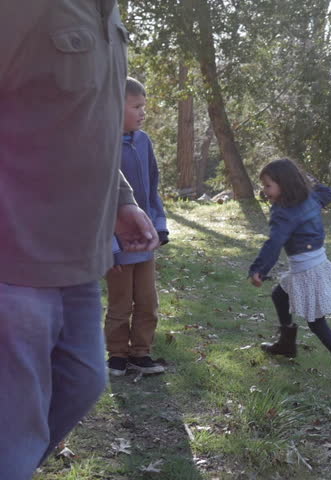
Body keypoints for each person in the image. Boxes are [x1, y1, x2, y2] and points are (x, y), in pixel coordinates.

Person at [0, 1, 160, 478]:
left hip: (81, 253)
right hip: (17, 254)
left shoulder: (108, 15)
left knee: (84, 381)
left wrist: (121, 200)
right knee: (17, 425)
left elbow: (89, 126)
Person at [248, 158, 331, 388]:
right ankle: (286, 344)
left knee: (316, 323)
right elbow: (327, 192)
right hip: (317, 265)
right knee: (279, 295)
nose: (265, 191)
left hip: (307, 271)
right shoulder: (312, 198)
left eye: (268, 185)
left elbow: (274, 244)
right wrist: (309, 181)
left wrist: (259, 269)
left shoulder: (284, 213)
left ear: (285, 184)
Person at [104, 77, 169, 377]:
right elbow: (98, 202)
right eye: (137, 106)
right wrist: (110, 247)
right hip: (117, 243)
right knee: (120, 303)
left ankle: (140, 353)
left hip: (145, 241)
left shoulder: (144, 142)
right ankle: (117, 355)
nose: (143, 112)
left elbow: (153, 187)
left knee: (147, 301)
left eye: (144, 106)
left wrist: (159, 224)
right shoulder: (101, 146)